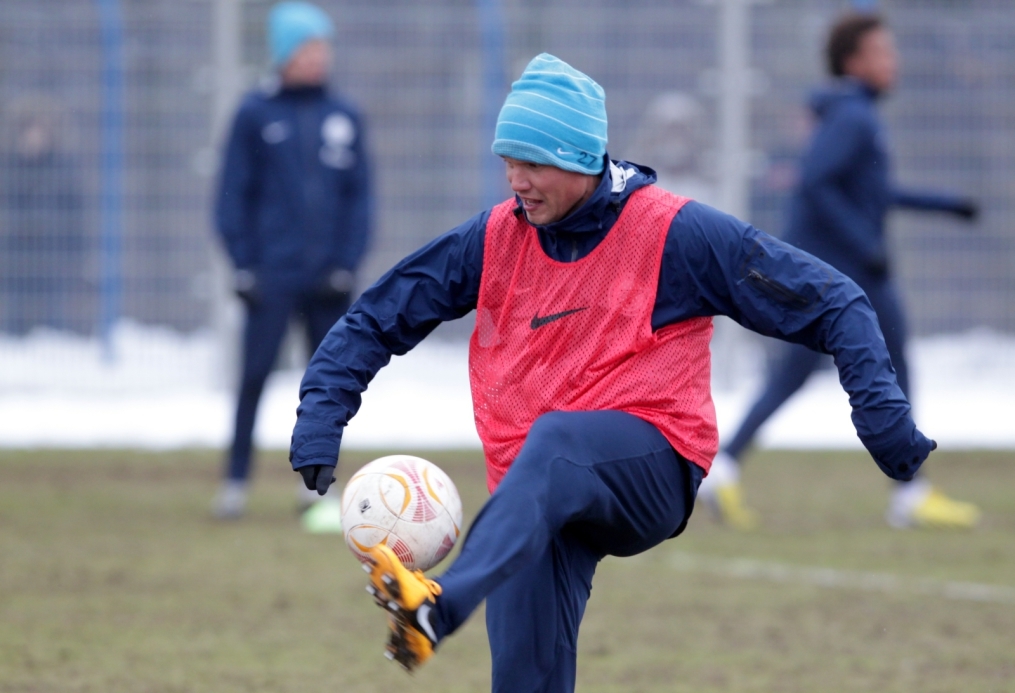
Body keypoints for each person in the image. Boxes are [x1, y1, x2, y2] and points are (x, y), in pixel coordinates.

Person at [290, 54, 936, 690]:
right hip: (535, 495)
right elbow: (374, 317)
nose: (516, 179)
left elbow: (834, 299)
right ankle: (439, 605)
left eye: (534, 162)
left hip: (652, 465)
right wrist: (320, 417)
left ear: (579, 158)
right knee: (525, 679)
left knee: (556, 439)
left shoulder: (676, 232)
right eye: (507, 161)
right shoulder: (489, 238)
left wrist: (882, 418)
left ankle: (439, 603)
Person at [699, 13, 981, 531]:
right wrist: (864, 247)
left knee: (793, 374)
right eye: (883, 52)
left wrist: (946, 205)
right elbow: (814, 184)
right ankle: (910, 489)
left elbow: (868, 192)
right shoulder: (854, 117)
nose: (892, 62)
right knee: (894, 366)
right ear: (854, 61)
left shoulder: (851, 115)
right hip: (850, 275)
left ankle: (724, 466)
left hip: (841, 269)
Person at [212, 1, 372, 520]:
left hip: (327, 277)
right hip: (271, 275)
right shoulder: (254, 114)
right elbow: (231, 195)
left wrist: (347, 261)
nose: (317, 58)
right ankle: (235, 483)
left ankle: (316, 487)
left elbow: (359, 199)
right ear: (283, 53)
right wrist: (243, 264)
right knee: (255, 375)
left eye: (323, 48)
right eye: (307, 47)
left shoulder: (344, 116)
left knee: (327, 383)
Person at [0, 96, 88, 336]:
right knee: (13, 312)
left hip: (52, 252)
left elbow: (74, 214)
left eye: (40, 131)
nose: (34, 137)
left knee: (54, 315)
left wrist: (75, 253)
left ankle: (55, 344)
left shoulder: (61, 168)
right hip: (15, 252)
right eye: (30, 131)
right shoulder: (9, 168)